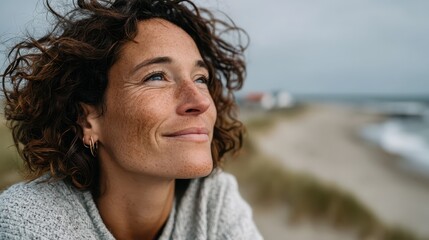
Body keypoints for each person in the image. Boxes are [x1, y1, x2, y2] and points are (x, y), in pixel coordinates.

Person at [0, 0, 263, 239]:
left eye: (200, 79)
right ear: (87, 119)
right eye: (157, 76)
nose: (201, 102)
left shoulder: (212, 200)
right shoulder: (28, 219)